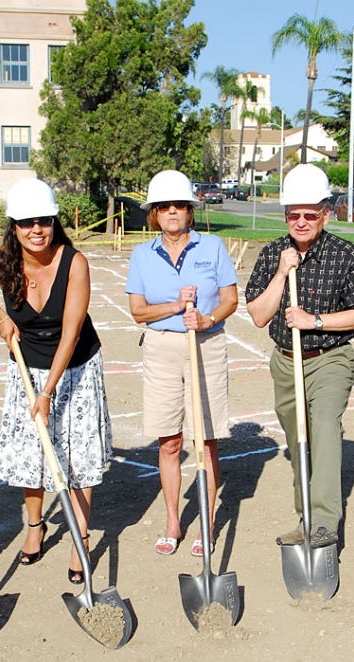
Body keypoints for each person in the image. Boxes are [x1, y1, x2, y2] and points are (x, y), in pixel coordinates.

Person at [0, 178, 112, 584]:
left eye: (44, 220)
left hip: (77, 368)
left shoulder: (74, 262)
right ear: (13, 227)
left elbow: (71, 331)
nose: (36, 230)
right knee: (34, 454)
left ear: (54, 222)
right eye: (26, 222)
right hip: (27, 369)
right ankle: (35, 527)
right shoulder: (3, 266)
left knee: (77, 456)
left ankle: (79, 538)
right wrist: (1, 316)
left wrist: (49, 392)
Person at [246, 164, 354, 547]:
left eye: (311, 214)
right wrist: (281, 273)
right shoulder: (273, 252)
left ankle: (324, 524)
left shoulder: (344, 253)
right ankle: (305, 517)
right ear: (285, 214)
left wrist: (315, 320)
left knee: (323, 429)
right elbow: (259, 316)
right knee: (297, 442)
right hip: (286, 361)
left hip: (330, 358)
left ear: (326, 212)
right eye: (294, 214)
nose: (302, 222)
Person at [125, 170, 238, 557]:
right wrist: (175, 305)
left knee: (205, 441)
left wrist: (207, 318)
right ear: (154, 213)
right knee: (170, 441)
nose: (172, 212)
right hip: (161, 348)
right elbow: (138, 312)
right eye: (164, 206)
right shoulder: (142, 254)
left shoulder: (213, 247)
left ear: (190, 210)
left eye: (180, 205)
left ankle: (205, 524)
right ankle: (173, 521)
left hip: (205, 345)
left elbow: (230, 300)